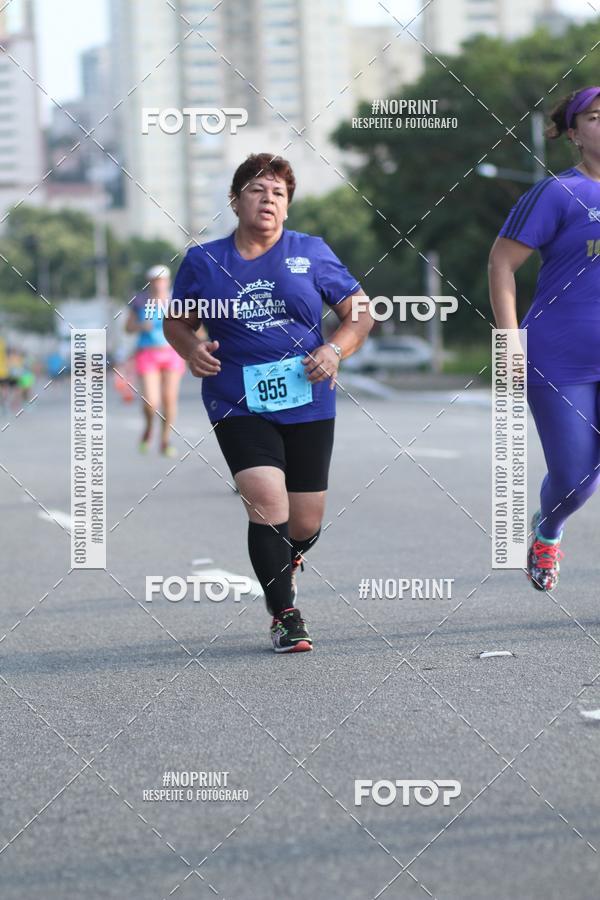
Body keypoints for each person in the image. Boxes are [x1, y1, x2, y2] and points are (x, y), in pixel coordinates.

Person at [164, 153, 373, 652]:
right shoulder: (204, 261)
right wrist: (192, 349)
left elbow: (359, 313)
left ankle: (288, 559)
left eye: (279, 193)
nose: (269, 200)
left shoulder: (311, 252)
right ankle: (285, 615)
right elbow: (176, 322)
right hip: (236, 396)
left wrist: (334, 347)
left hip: (308, 397)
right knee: (264, 498)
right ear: (236, 202)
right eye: (258, 190)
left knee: (303, 521)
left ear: (288, 207)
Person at [489, 86, 600, 591]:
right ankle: (548, 529)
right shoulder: (558, 193)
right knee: (576, 477)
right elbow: (502, 263)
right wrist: (508, 340)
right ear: (575, 133)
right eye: (596, 118)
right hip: (560, 358)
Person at [126, 265, 186, 457]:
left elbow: (190, 324)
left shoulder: (176, 300)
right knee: (151, 402)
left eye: (162, 280)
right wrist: (141, 326)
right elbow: (127, 327)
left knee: (169, 399)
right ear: (150, 282)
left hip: (172, 352)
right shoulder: (140, 301)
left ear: (167, 281)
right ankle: (149, 427)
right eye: (155, 280)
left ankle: (165, 440)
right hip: (147, 353)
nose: (159, 284)